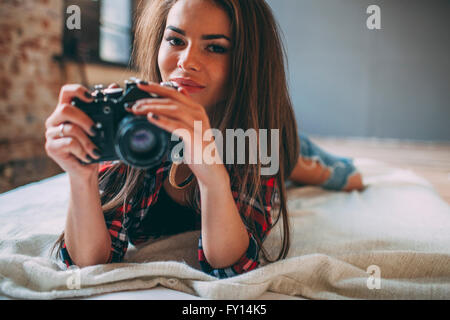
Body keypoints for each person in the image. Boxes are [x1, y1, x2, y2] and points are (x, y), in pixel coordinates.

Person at [45, 0, 364, 279]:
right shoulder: (132, 121)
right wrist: (81, 177)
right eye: (175, 40)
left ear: (245, 61)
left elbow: (231, 265)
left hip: (259, 131)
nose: (186, 62)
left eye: (215, 47)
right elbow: (89, 261)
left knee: (337, 175)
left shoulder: (258, 142)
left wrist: (212, 174)